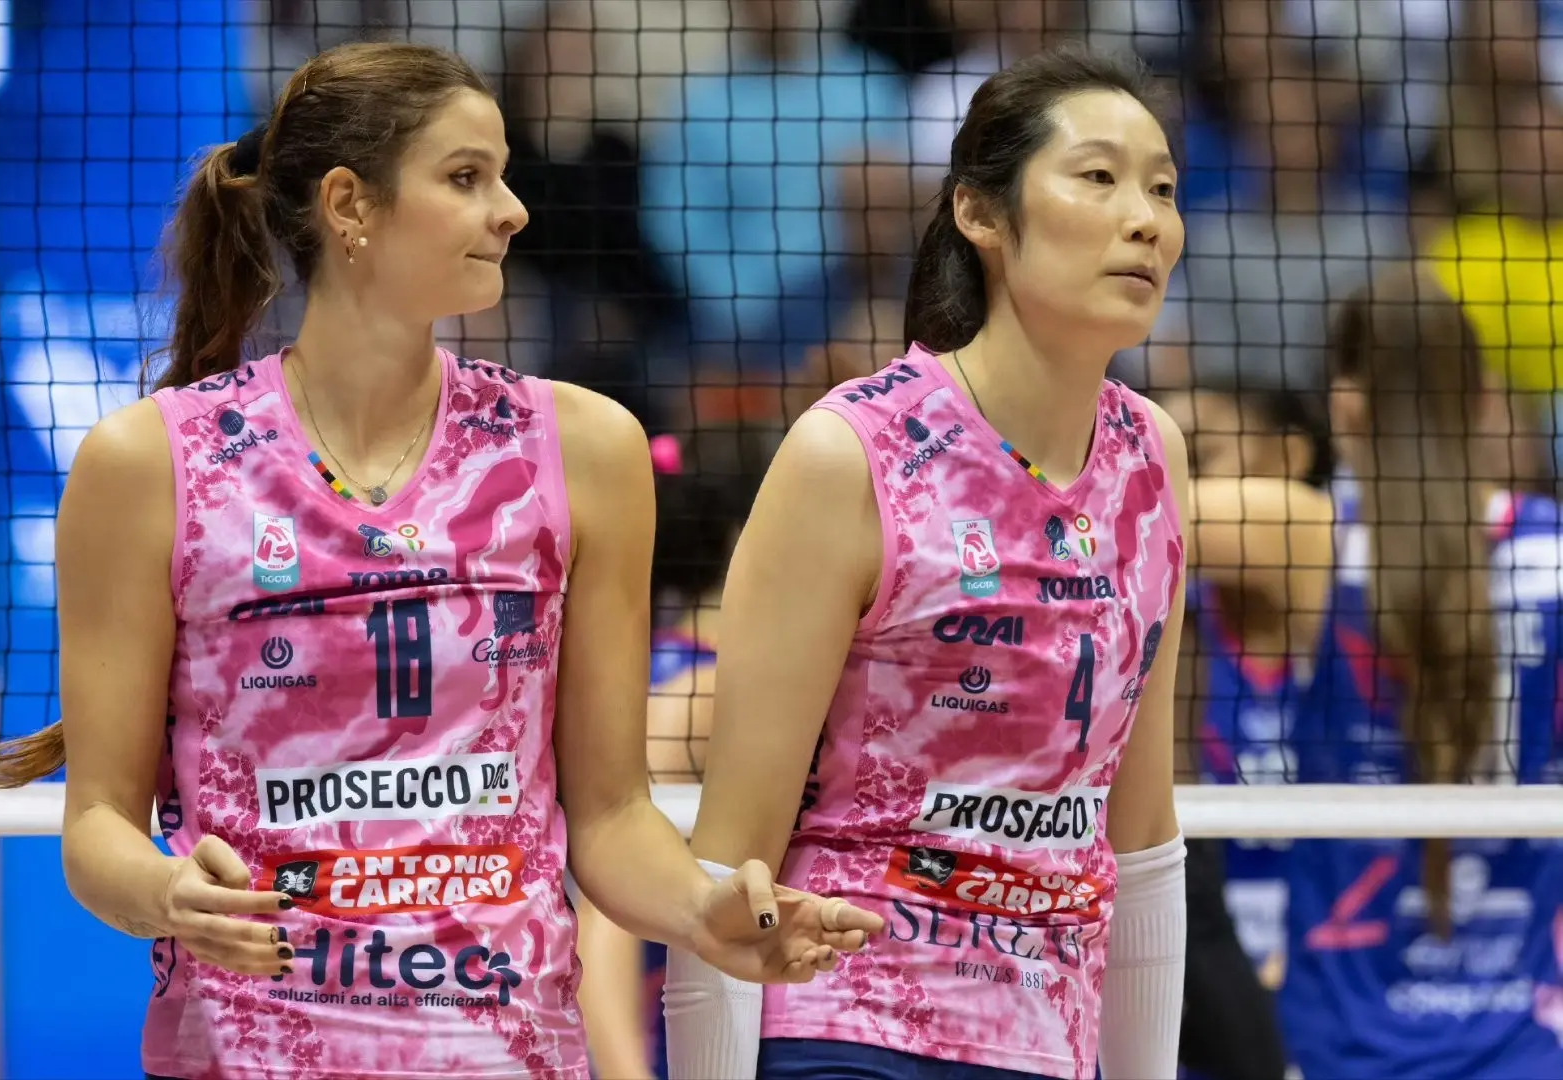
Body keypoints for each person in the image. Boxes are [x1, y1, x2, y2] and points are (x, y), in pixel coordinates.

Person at [0, 41, 882, 1080]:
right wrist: (167, 892)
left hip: (505, 1053)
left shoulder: (583, 447)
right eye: (466, 177)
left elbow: (612, 817)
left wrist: (702, 909)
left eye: (503, 175)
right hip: (250, 1051)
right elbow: (97, 828)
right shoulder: (148, 462)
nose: (513, 211)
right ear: (349, 205)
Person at [665, 46, 1191, 1080]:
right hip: (851, 1025)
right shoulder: (852, 451)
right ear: (980, 214)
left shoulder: (1151, 456)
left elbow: (1140, 837)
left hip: (1047, 1036)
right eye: (1098, 177)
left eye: (1164, 189)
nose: (1145, 219)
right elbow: (730, 862)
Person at [1187, 262, 1563, 1077]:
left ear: (1345, 403)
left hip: (1337, 1038)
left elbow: (1104, 502)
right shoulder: (1554, 551)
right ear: (1485, 401)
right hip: (1524, 1039)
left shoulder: (1302, 537)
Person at [578, 422, 786, 1080]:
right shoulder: (703, 692)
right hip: (661, 1025)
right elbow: (606, 908)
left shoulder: (647, 663)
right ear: (747, 538)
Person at [1161, 385, 1333, 1080]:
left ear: (1288, 457)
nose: (1169, 473)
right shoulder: (1168, 628)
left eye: (1197, 455)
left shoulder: (1333, 589)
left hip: (1327, 979)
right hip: (1199, 982)